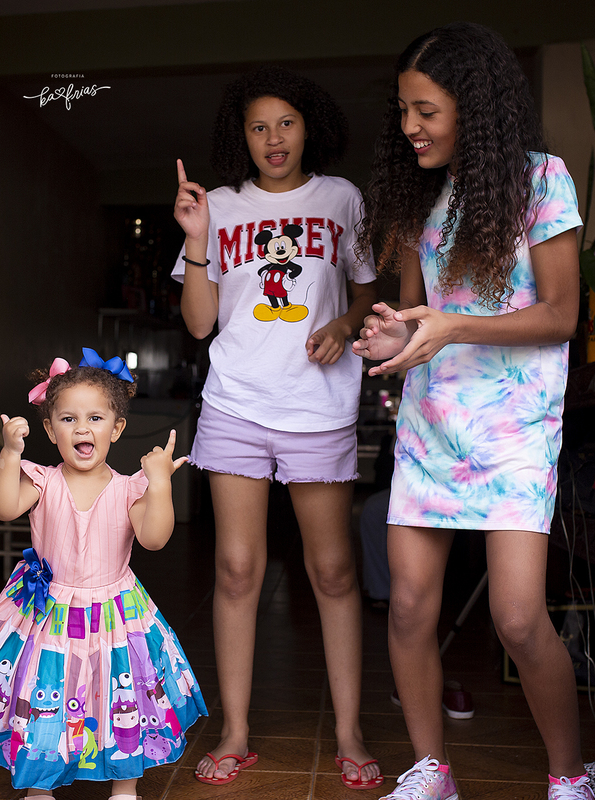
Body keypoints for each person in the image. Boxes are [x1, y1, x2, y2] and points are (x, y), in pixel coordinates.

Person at [352, 22, 594, 800]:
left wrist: (451, 326)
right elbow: (419, 315)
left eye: (425, 110)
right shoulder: (422, 198)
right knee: (407, 610)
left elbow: (560, 315)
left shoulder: (542, 181)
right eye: (402, 110)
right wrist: (392, 333)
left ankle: (569, 779)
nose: (409, 127)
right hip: (431, 425)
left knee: (518, 618)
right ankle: (432, 773)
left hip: (515, 431)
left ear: (473, 108)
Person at [172, 65, 381, 790]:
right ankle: (235, 731)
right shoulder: (219, 206)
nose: (273, 138)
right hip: (235, 403)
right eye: (258, 127)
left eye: (285, 123)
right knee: (236, 571)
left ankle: (350, 731)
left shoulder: (342, 199)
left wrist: (345, 326)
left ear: (308, 126)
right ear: (243, 137)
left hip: (317, 408)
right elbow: (199, 324)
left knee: (333, 570)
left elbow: (366, 293)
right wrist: (196, 237)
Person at [0, 351, 206, 799]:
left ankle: (125, 787)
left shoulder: (130, 488)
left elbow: (154, 539)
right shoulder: (41, 480)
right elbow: (3, 507)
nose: (82, 428)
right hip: (47, 614)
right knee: (43, 692)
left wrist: (160, 484)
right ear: (49, 429)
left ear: (116, 428)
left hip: (114, 613)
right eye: (68, 419)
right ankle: (39, 787)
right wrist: (10, 454)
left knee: (120, 695)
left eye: (95, 418)